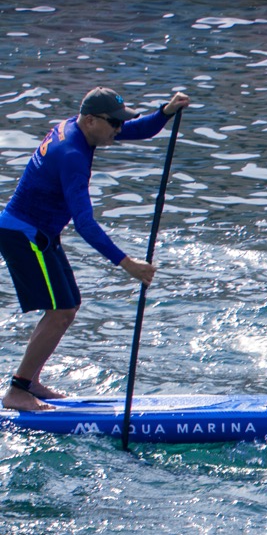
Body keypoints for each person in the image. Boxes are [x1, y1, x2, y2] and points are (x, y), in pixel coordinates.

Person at [2, 87, 190, 412]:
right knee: (60, 311)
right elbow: (85, 224)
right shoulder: (72, 156)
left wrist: (166, 112)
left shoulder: (81, 129)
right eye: (114, 124)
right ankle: (17, 391)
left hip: (38, 232)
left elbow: (138, 129)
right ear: (91, 120)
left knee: (68, 306)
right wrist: (126, 262)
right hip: (25, 235)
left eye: (119, 123)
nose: (119, 130)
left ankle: (29, 381)